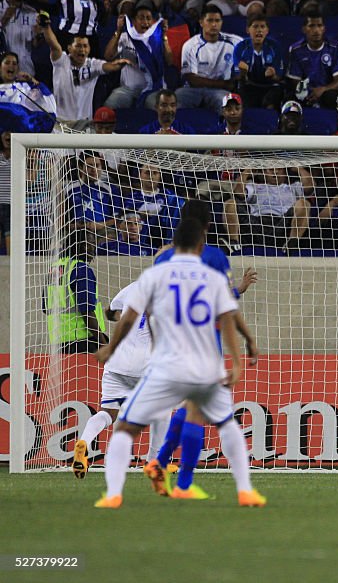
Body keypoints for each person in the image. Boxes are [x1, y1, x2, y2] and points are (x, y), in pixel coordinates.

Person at [93, 217, 265, 509]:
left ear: (172, 244)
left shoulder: (153, 277)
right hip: (204, 366)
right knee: (227, 425)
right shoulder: (212, 278)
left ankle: (113, 494)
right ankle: (244, 490)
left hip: (165, 366)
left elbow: (128, 317)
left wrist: (111, 347)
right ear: (201, 245)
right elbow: (227, 317)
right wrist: (240, 356)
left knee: (124, 428)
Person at [146, 199, 257, 498]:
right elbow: (225, 304)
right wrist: (246, 340)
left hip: (169, 343)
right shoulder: (214, 257)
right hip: (203, 343)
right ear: (208, 225)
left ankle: (162, 462)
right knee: (202, 409)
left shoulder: (162, 258)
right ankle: (182, 479)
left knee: (190, 406)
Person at [71, 280, 167, 479]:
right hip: (145, 366)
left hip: (117, 362)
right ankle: (153, 462)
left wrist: (125, 317)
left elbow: (109, 312)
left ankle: (84, 443)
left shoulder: (134, 286)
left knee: (107, 413)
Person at [40, 23, 128, 127]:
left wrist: (121, 63)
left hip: (84, 124)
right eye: (78, 46)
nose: (82, 49)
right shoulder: (62, 61)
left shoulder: (93, 64)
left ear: (89, 49)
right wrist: (46, 27)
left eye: (85, 46)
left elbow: (109, 66)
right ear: (69, 48)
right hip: (61, 123)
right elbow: (54, 46)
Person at [45, 230, 107, 354]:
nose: (92, 248)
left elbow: (45, 307)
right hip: (83, 342)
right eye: (90, 243)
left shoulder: (56, 268)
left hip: (58, 343)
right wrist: (104, 344)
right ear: (78, 245)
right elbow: (87, 311)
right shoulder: (81, 269)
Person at [103, 3, 172, 110]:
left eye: (148, 18)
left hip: (154, 89)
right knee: (109, 107)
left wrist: (164, 37)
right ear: (134, 21)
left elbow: (169, 61)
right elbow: (108, 56)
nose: (145, 22)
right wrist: (118, 31)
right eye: (141, 18)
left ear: (153, 22)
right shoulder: (125, 37)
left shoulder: (157, 39)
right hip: (128, 89)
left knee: (160, 107)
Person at [177, 4, 243, 113]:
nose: (214, 24)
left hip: (220, 92)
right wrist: (224, 84)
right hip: (193, 90)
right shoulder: (190, 45)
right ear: (201, 22)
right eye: (210, 20)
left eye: (217, 21)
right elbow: (192, 79)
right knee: (174, 102)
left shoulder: (236, 42)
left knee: (229, 106)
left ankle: (224, 130)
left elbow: (243, 67)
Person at [286, 11, 338, 110]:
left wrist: (322, 90)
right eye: (311, 26)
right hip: (305, 90)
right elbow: (295, 80)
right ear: (304, 29)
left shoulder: (336, 47)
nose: (316, 30)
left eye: (319, 25)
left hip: (329, 90)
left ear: (324, 28)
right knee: (289, 99)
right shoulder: (296, 49)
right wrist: (309, 92)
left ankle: (337, 124)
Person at [233, 12, 286, 111]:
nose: (259, 30)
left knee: (274, 96)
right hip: (249, 85)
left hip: (270, 86)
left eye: (262, 27)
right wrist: (243, 73)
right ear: (248, 30)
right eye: (255, 26)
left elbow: (279, 77)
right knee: (241, 93)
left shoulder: (275, 47)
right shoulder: (240, 47)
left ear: (267, 30)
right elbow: (238, 78)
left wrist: (273, 75)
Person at [1, 0, 39, 76]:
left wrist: (39, 34)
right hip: (2, 70)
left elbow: (35, 44)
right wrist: (4, 20)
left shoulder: (32, 12)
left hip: (25, 69)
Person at [0, 50, 56, 115]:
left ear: (18, 69)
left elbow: (46, 103)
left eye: (14, 64)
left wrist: (32, 80)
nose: (11, 66)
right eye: (7, 63)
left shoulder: (25, 89)